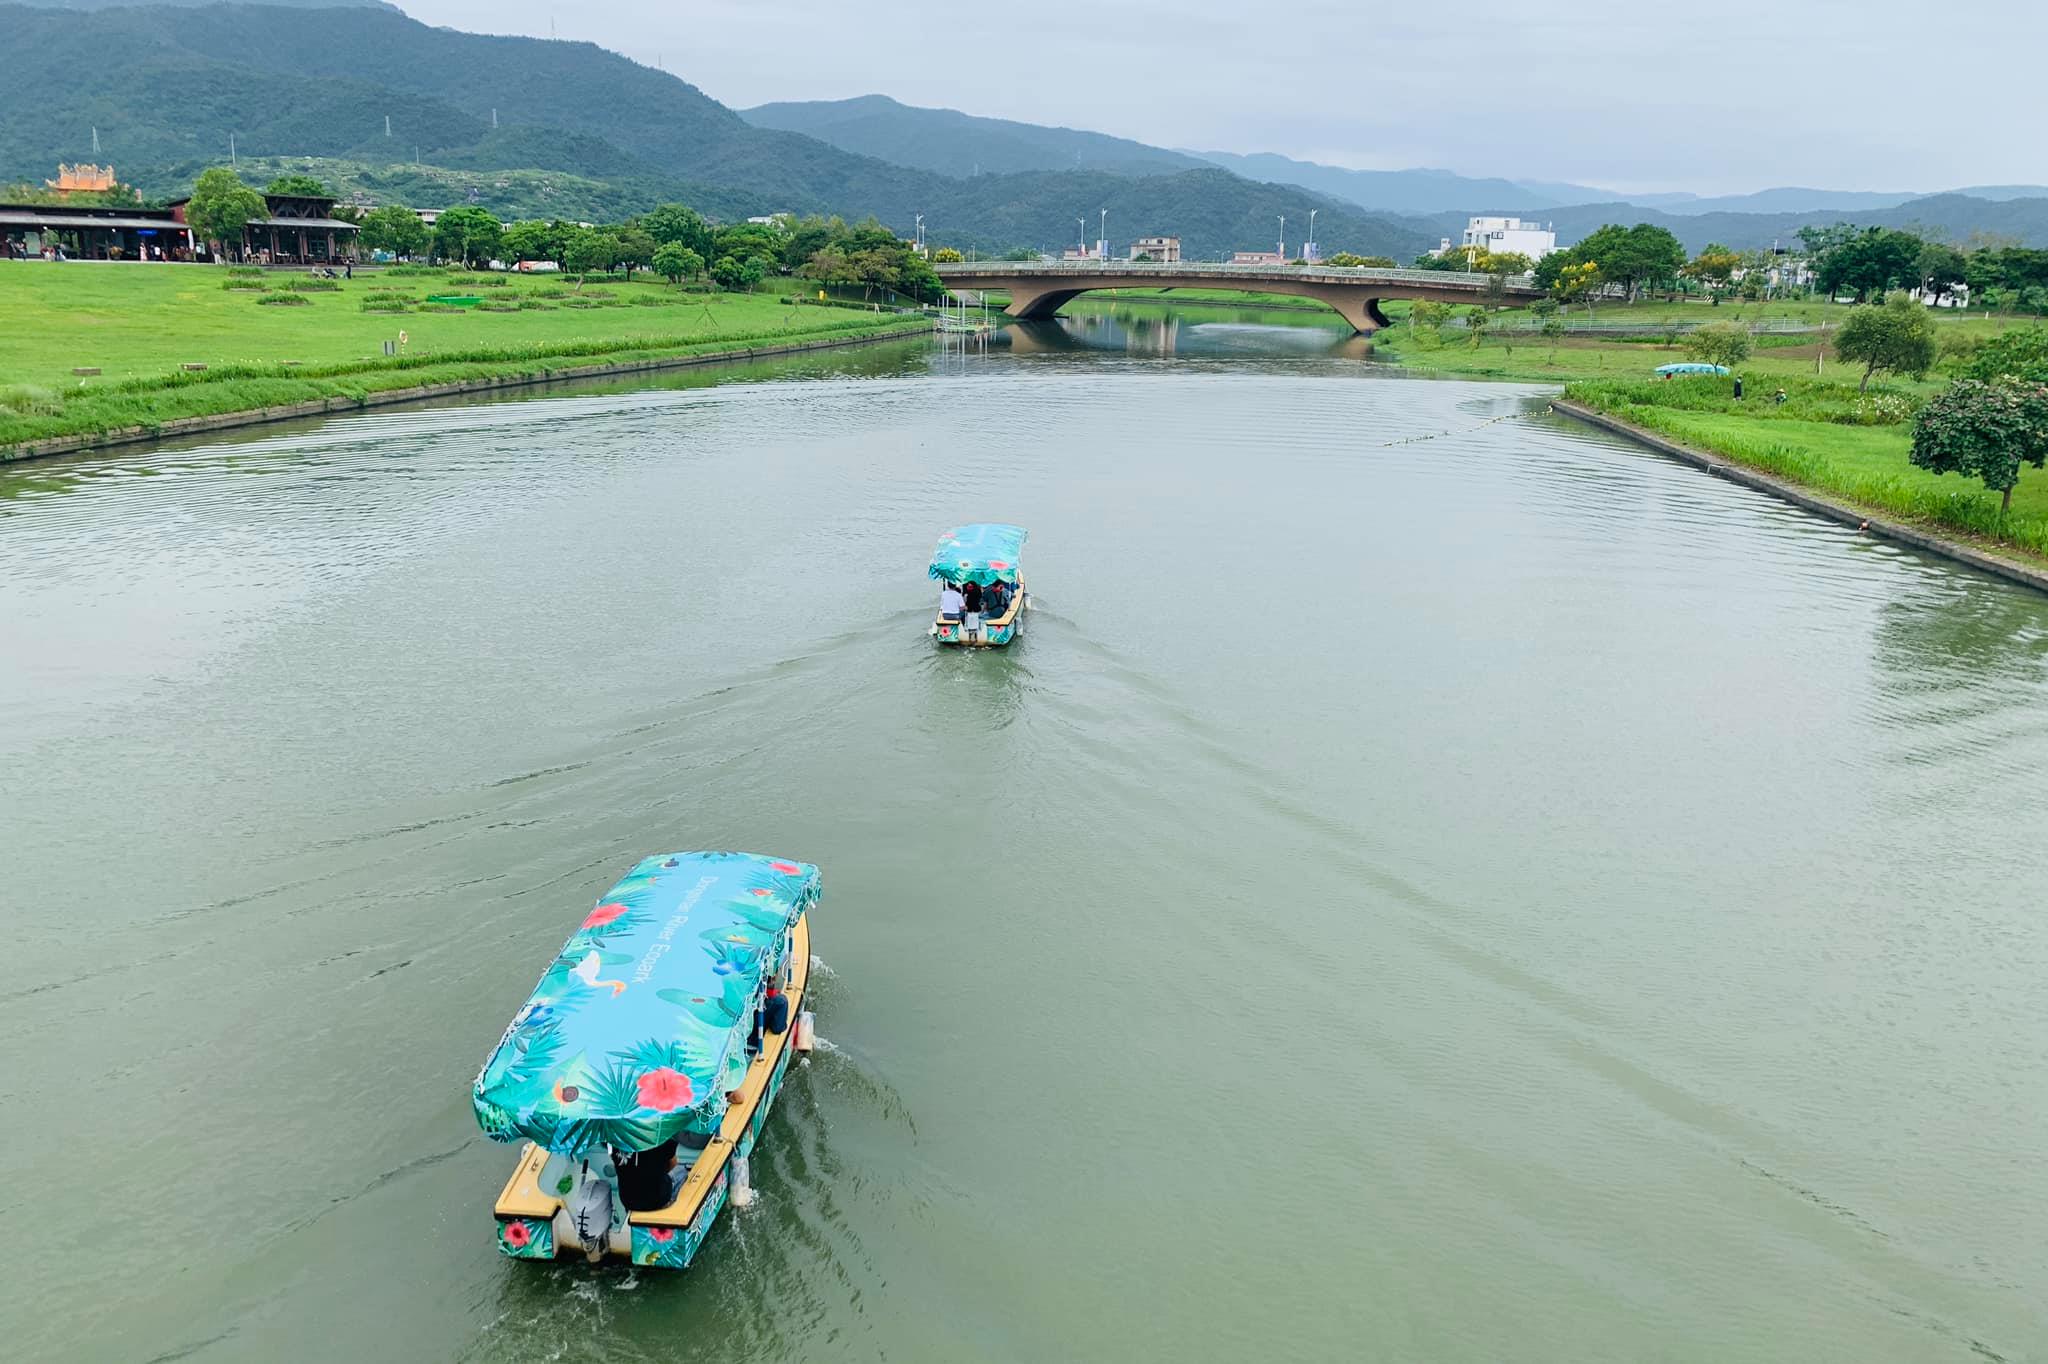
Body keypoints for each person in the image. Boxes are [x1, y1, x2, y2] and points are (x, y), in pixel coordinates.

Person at [614, 1135, 685, 1211]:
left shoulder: (614, 1137)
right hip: (658, 1200)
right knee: (682, 1172)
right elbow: (673, 1164)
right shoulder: (664, 1135)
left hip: (628, 1200)